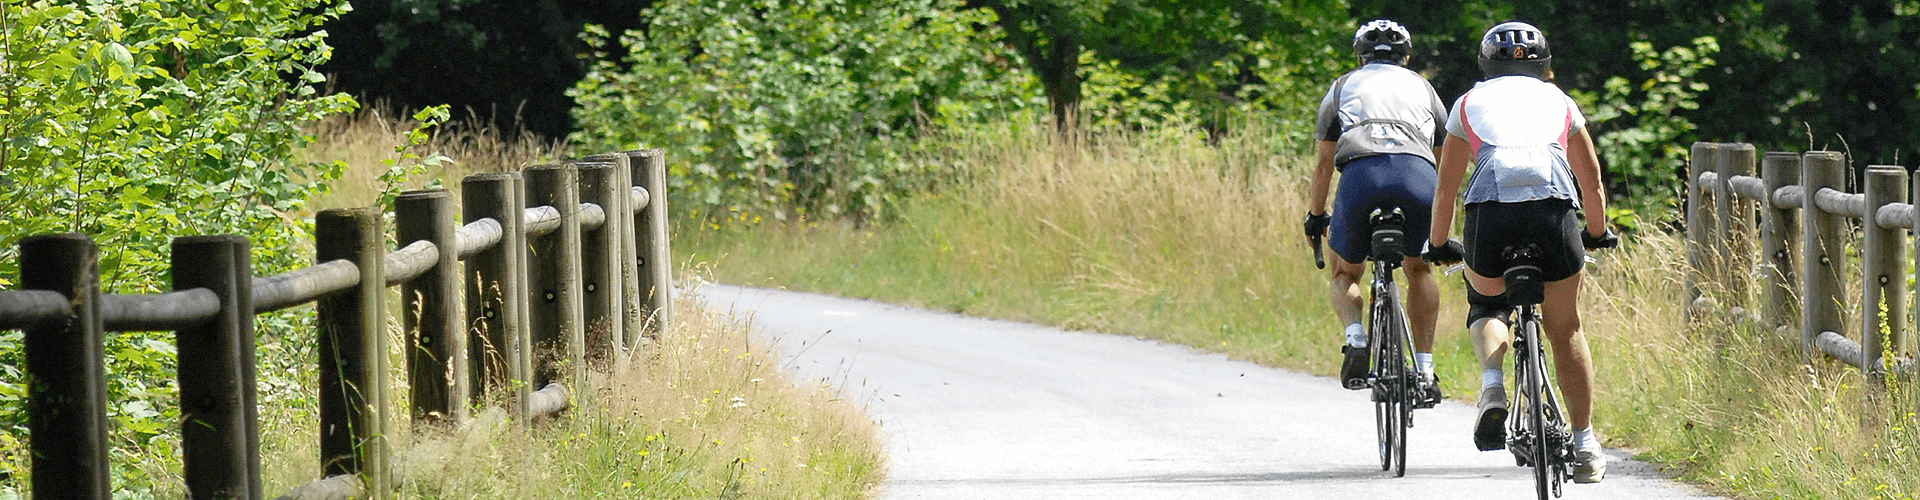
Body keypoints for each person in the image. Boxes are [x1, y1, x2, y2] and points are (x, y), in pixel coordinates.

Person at [1421, 21, 1618, 483]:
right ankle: (1585, 443)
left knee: (1488, 303)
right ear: (1545, 66)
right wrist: (1596, 231)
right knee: (1565, 328)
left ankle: (1493, 385)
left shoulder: (1467, 103)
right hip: (1553, 214)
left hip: (1490, 218)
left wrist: (1436, 245)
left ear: (1486, 65)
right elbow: (1590, 180)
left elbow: (1445, 190)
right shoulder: (1562, 102)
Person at [1304, 19, 1447, 406]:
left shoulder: (1342, 87)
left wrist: (1316, 215)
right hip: (1417, 175)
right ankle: (1425, 369)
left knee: (1346, 272)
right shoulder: (1424, 87)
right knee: (1419, 268)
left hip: (1361, 175)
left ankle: (1355, 336)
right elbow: (1442, 156)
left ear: (1359, 55)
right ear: (1406, 56)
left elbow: (1323, 162)